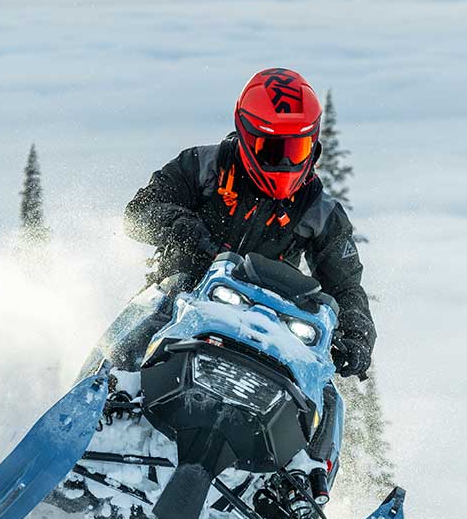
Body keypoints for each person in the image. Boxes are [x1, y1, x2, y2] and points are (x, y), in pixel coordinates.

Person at [122, 68, 376, 382]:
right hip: (179, 299)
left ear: (312, 145)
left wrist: (357, 335)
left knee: (321, 388)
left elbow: (346, 286)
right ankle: (102, 391)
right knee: (130, 342)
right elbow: (137, 214)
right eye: (271, 150)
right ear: (245, 134)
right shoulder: (203, 167)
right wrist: (178, 224)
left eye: (295, 149)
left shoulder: (320, 211)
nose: (284, 162)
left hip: (266, 328)